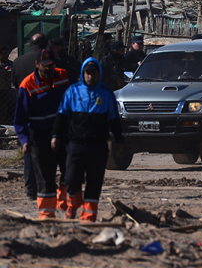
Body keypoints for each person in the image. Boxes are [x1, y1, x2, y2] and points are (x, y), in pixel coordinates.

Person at [53, 57, 124, 222]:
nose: (90, 76)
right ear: (82, 74)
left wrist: (119, 140)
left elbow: (114, 119)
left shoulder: (106, 93)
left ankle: (88, 216)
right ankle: (73, 203)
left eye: (94, 73)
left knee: (94, 182)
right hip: (75, 145)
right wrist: (55, 136)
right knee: (71, 178)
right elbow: (61, 116)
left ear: (99, 74)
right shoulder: (72, 91)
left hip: (98, 146)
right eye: (87, 73)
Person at [14, 48, 72, 219]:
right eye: (45, 66)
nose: (49, 69)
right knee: (45, 176)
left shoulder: (63, 76)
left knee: (70, 170)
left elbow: (78, 92)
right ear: (37, 64)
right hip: (40, 136)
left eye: (52, 65)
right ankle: (47, 213)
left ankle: (66, 203)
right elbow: (20, 119)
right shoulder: (28, 85)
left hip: (63, 133)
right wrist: (24, 141)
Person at [13, 33, 48, 202]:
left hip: (25, 110)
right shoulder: (48, 61)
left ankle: (30, 189)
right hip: (45, 111)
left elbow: (14, 85)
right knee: (47, 154)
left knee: (28, 151)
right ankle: (45, 187)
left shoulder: (18, 62)